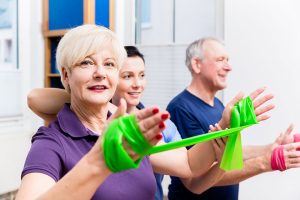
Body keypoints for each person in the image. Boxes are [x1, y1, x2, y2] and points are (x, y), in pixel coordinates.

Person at [25, 41, 299, 199]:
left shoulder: (146, 126)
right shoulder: (53, 139)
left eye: (109, 66)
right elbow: (35, 98)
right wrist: (84, 98)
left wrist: (231, 129)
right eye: (86, 64)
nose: (136, 84)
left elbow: (191, 165)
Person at [166, 37, 300, 200]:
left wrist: (271, 148)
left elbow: (231, 153)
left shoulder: (218, 105)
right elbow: (202, 174)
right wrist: (266, 162)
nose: (228, 67)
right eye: (220, 60)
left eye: (228, 60)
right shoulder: (181, 108)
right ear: (196, 64)